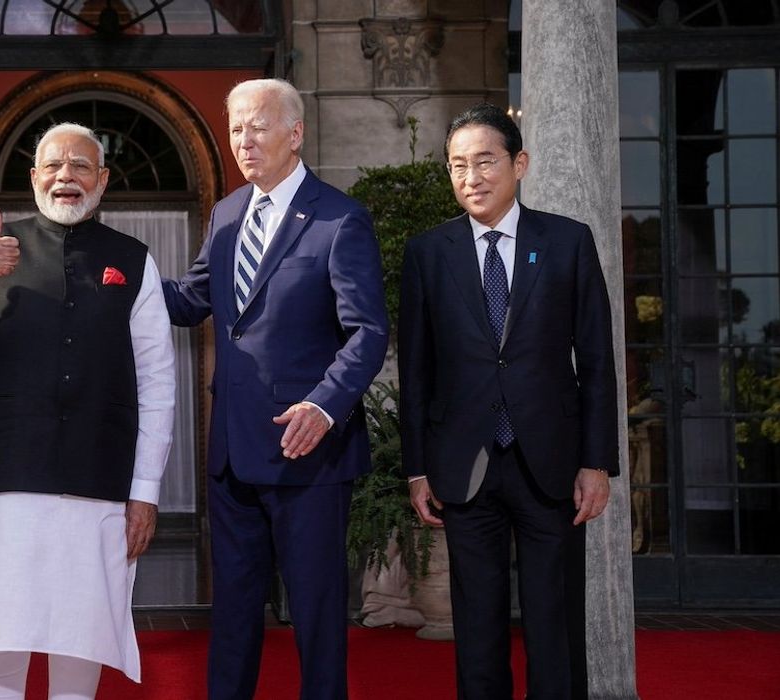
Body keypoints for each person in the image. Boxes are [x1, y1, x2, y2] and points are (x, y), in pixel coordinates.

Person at [0, 122, 175, 699]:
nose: (67, 176)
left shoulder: (133, 260)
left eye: (81, 166)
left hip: (96, 482)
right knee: (0, 637)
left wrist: (145, 490)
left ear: (103, 180)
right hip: (0, 483)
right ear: (34, 178)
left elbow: (158, 381)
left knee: (78, 638)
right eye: (55, 166)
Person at [163, 78, 388, 699]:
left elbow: (368, 332)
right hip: (233, 453)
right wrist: (115, 276)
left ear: (295, 134)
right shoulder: (227, 213)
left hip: (307, 452)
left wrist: (324, 404)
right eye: (235, 127)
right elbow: (189, 300)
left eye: (257, 126)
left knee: (317, 618)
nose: (243, 140)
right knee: (232, 616)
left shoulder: (341, 218)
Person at [398, 103, 618, 700]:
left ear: (518, 163)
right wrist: (417, 467)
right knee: (476, 623)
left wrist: (596, 462)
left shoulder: (568, 241)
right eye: (457, 165)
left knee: (554, 619)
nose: (471, 178)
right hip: (463, 466)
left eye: (485, 161)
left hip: (550, 462)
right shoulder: (428, 253)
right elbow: (416, 372)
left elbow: (597, 361)